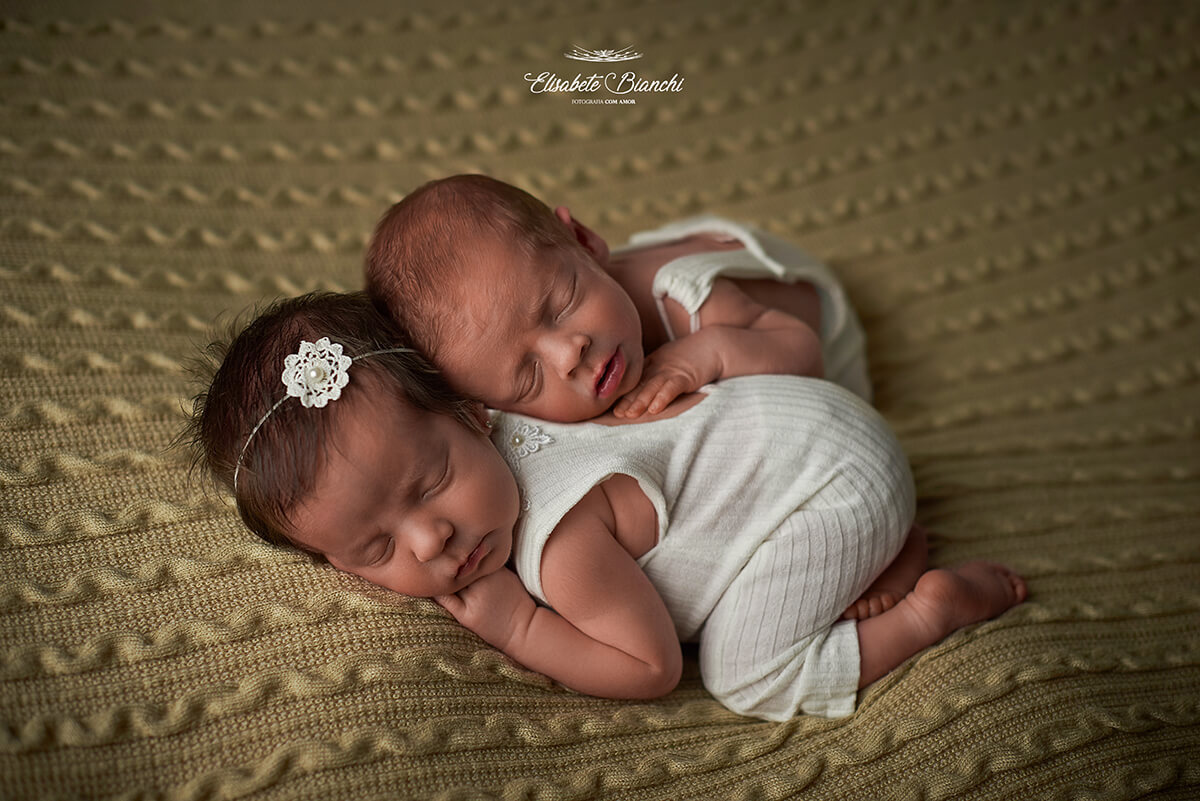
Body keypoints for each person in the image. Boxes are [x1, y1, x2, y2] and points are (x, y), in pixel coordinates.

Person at [187, 291, 1026, 721]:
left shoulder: (559, 542)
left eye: (428, 483)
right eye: (374, 548)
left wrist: (518, 626)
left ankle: (926, 609)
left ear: (472, 412)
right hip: (818, 432)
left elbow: (650, 667)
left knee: (745, 673)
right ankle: (884, 554)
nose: (430, 539)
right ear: (330, 562)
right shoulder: (521, 415)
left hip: (832, 484)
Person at [365, 173, 870, 423]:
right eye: (528, 377)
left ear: (585, 238)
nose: (568, 354)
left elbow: (802, 351)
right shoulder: (492, 373)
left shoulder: (692, 304)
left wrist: (705, 355)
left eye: (561, 304)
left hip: (800, 328)